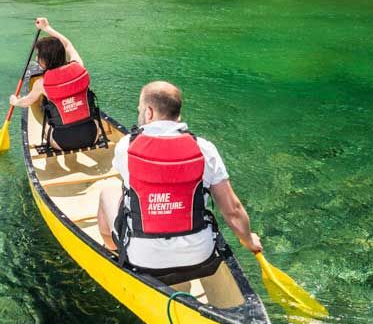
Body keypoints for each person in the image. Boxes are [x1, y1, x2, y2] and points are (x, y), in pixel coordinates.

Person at [97, 81, 263, 273]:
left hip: (143, 258)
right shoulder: (205, 149)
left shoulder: (126, 146)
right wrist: (249, 240)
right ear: (178, 114)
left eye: (140, 109)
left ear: (149, 112)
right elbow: (233, 210)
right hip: (201, 254)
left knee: (108, 191)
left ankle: (116, 255)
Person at [10, 17, 103, 151]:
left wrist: (14, 101)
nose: (36, 58)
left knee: (46, 123)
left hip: (62, 143)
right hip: (91, 137)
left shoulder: (41, 84)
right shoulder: (79, 66)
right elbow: (68, 45)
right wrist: (47, 28)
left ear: (44, 61)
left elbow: (26, 102)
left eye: (38, 56)